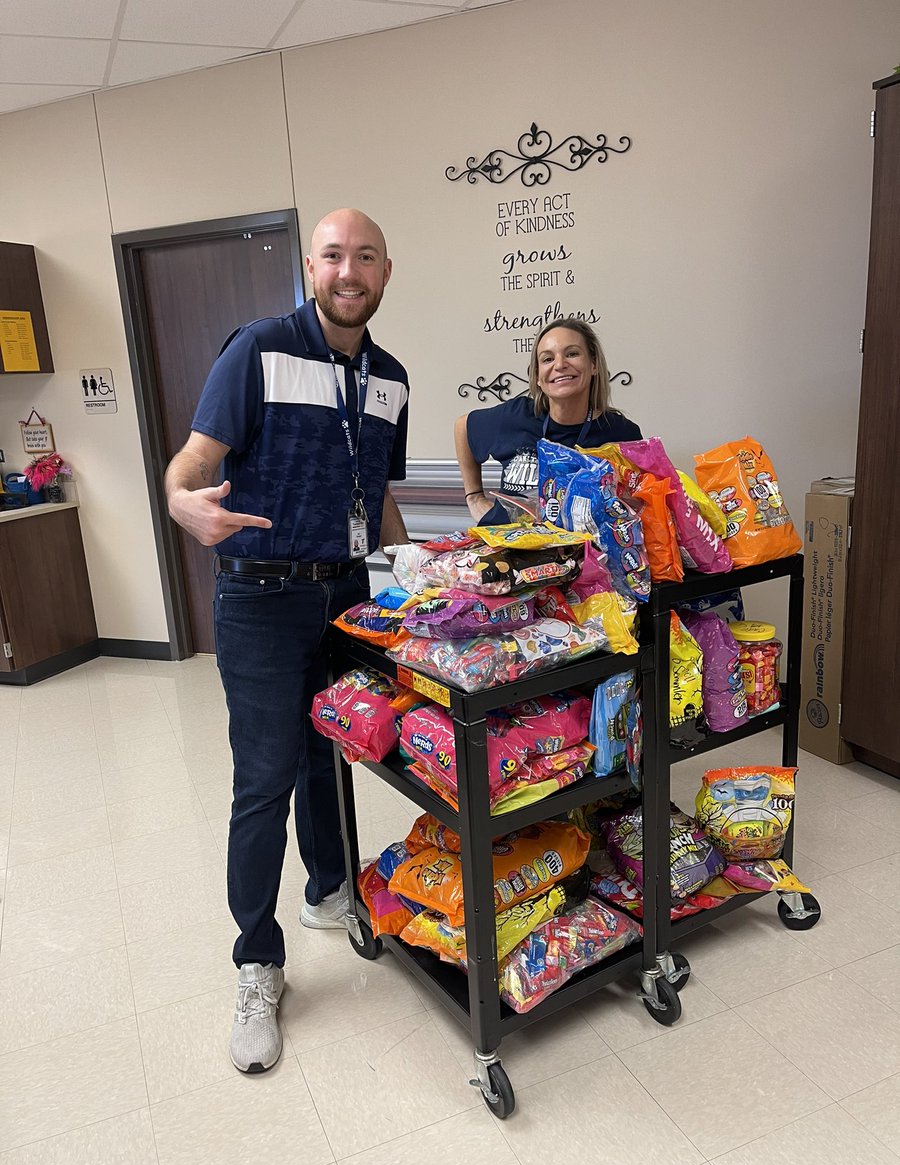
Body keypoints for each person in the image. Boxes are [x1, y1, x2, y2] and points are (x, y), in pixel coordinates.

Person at [165, 208, 409, 1074]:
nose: (349, 271)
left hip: (346, 595)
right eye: (334, 255)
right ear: (311, 267)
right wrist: (182, 502)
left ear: (385, 273)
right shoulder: (259, 349)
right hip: (262, 598)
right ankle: (257, 962)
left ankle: (328, 890)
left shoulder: (391, 378)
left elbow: (379, 494)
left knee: (328, 755)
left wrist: (415, 576)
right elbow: (192, 464)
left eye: (366, 257)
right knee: (265, 777)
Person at [454, 318, 641, 524]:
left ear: (593, 364)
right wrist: (474, 497)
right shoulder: (516, 416)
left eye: (572, 354)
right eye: (547, 359)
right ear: (537, 376)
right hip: (501, 542)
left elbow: (633, 513)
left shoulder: (623, 435)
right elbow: (462, 426)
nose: (559, 365)